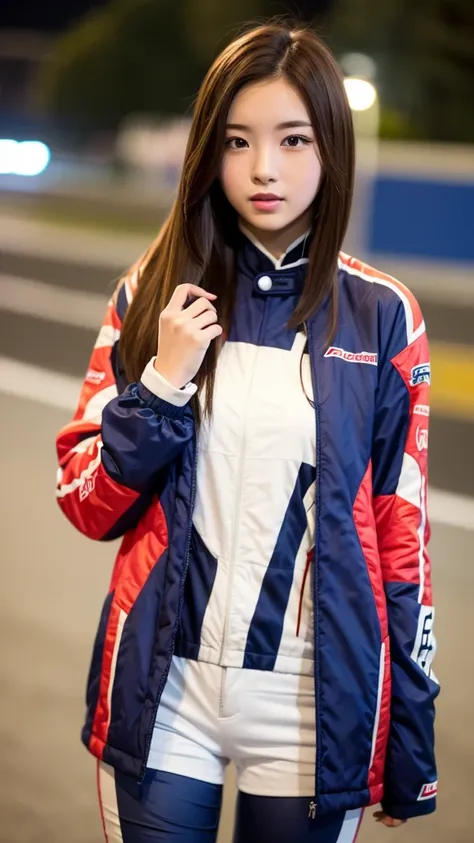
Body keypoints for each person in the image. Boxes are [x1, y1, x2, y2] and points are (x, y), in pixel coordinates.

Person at [55, 20, 439, 843]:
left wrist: (408, 729)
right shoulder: (149, 294)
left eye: (293, 139)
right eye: (237, 141)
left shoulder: (383, 315)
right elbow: (86, 503)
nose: (264, 168)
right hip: (166, 694)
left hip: (311, 700)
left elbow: (401, 538)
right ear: (207, 153)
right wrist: (162, 381)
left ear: (332, 147)